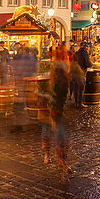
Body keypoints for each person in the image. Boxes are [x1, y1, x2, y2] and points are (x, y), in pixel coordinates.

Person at [42, 45, 71, 178]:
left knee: (59, 135)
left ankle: (57, 158)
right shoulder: (59, 71)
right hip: (56, 107)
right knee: (59, 135)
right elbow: (55, 90)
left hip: (57, 106)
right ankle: (58, 159)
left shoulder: (59, 69)